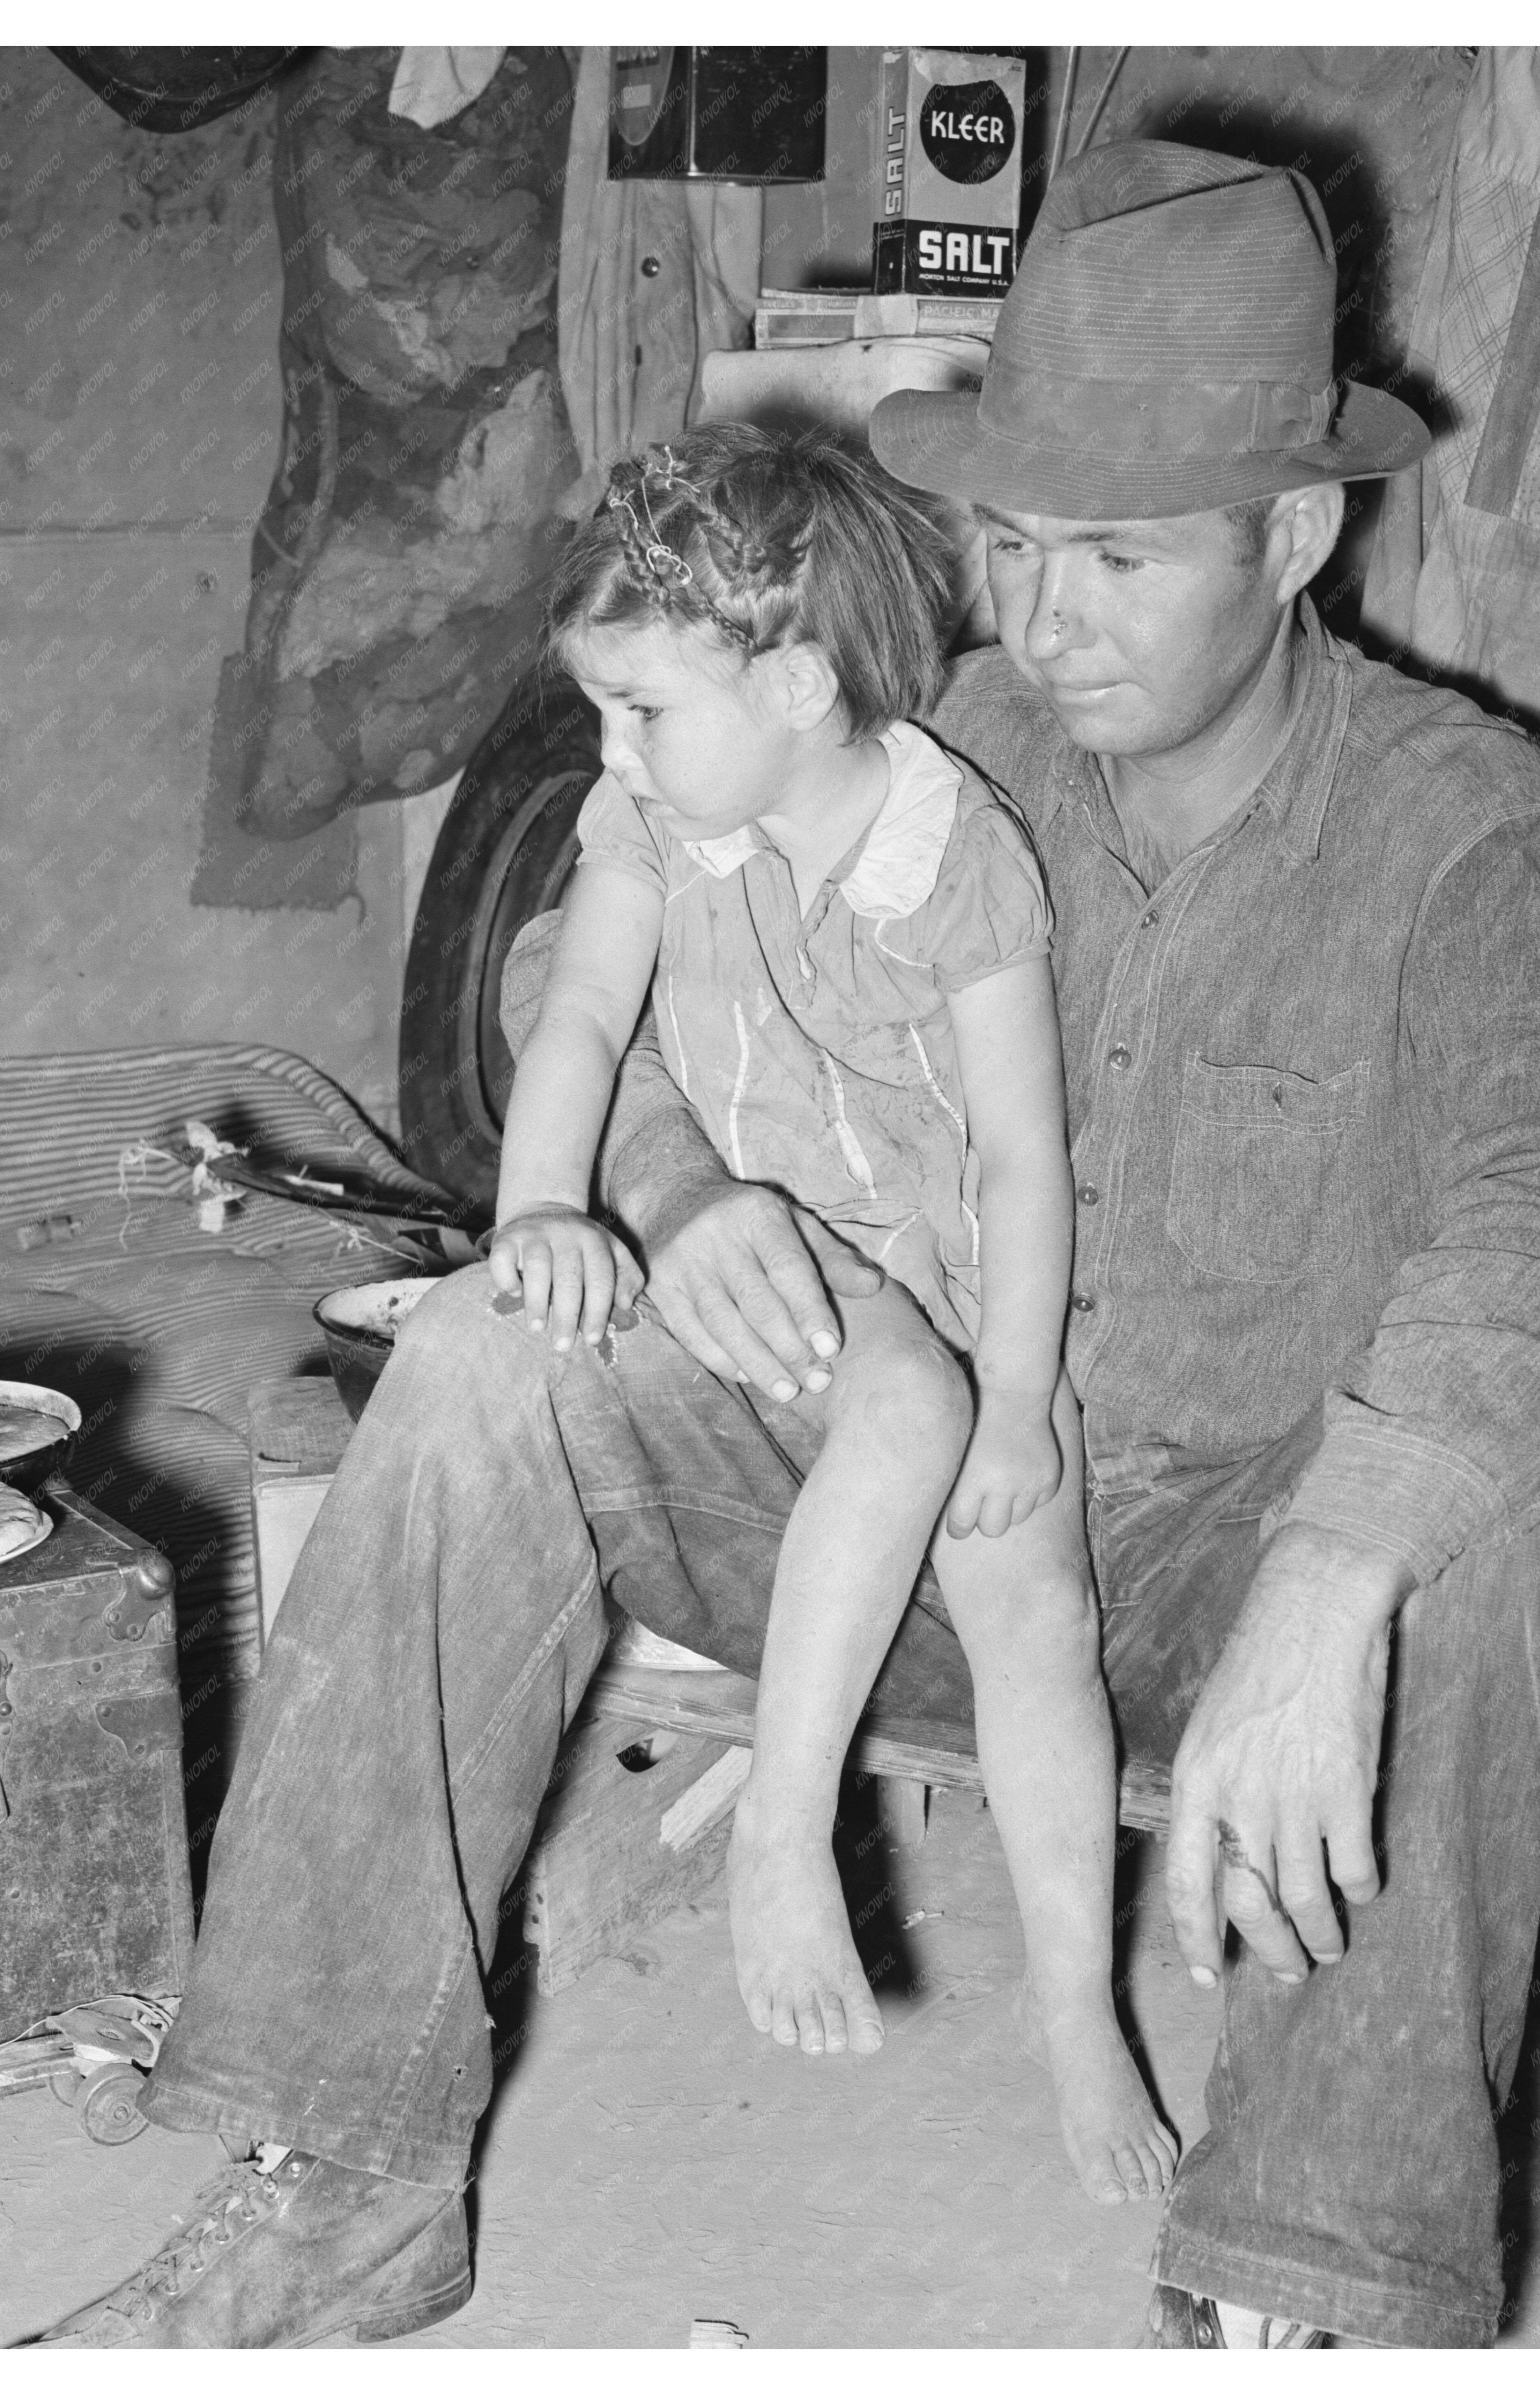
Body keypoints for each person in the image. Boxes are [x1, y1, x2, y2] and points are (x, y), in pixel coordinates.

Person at [38, 138, 1540, 2351]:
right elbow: (570, 981)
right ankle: (338, 2177)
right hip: (873, 1527)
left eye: (1116, 554)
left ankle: (1305, 2297)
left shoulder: (1458, 827)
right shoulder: (936, 740)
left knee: (1502, 1523)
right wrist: (688, 1200)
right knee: (495, 1362)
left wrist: (1338, 1559)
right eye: (1009, 542)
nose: (1048, 616)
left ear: (1290, 541)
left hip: (1221, 1605)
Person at [497, 421, 1175, 2202]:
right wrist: (540, 1208)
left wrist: (1021, 1400)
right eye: (601, 707)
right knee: (865, 1413)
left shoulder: (961, 861)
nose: (609, 750)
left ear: (798, 684)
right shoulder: (653, 819)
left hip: (934, 1281)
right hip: (763, 1256)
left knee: (1029, 1598)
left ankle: (1080, 2009)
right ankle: (784, 1831)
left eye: (643, 707)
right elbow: (575, 1016)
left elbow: (1026, 1163)